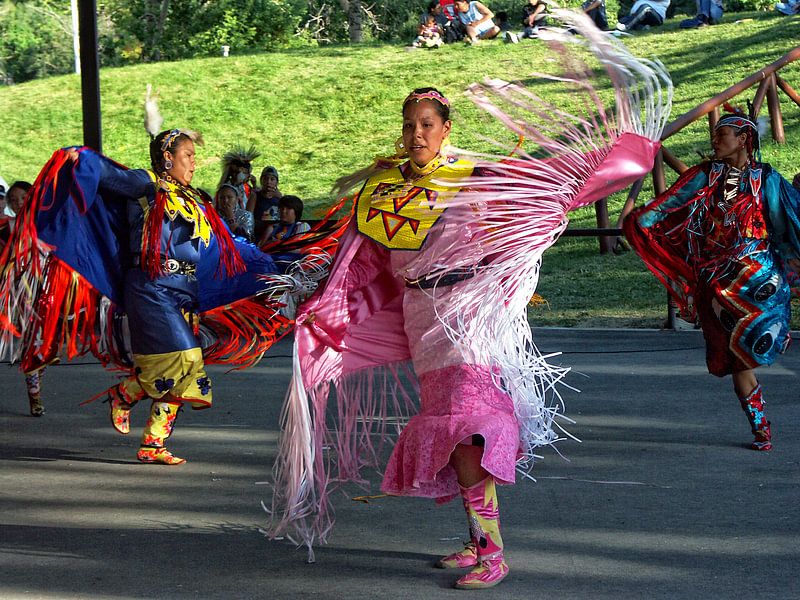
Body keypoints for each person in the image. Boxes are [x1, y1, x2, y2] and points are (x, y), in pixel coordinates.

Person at [266, 16, 670, 589]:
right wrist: (319, 287)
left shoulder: (472, 177)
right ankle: (476, 540)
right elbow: (365, 258)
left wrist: (609, 161)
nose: (416, 134)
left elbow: (542, 186)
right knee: (453, 430)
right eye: (409, 126)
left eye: (426, 124)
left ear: (446, 126)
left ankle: (492, 551)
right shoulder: (386, 188)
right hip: (419, 318)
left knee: (470, 431)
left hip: (467, 315)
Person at [0, 112, 333, 463]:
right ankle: (126, 399)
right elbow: (104, 174)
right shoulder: (145, 185)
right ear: (168, 158)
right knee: (186, 362)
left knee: (184, 366)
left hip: (185, 290)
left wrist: (274, 264)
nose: (194, 162)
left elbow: (228, 246)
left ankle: (148, 437)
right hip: (150, 287)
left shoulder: (196, 200)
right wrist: (79, 158)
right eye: (188, 156)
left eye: (194, 156)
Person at [624, 112, 800, 452]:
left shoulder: (767, 179)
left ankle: (761, 427)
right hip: (717, 284)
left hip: (758, 277)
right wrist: (640, 221)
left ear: (744, 139)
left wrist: (788, 259)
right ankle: (761, 428)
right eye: (716, 135)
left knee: (747, 353)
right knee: (735, 359)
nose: (716, 140)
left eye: (724, 134)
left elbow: (780, 226)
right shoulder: (705, 176)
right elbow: (668, 205)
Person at [0, 181, 45, 417]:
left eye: (23, 198)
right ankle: (34, 396)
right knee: (31, 343)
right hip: (17, 293)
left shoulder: (45, 224)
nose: (18, 203)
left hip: (47, 290)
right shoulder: (5, 226)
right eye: (13, 200)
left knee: (45, 345)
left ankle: (36, 384)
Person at [218, 145, 259, 209]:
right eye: (246, 173)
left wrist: (254, 186)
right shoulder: (227, 190)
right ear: (236, 173)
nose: (249, 176)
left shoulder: (244, 187)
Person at [250, 165, 282, 244]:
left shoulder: (279, 197)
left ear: (276, 182)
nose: (268, 182)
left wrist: (281, 198)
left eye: (272, 179)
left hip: (276, 232)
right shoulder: (255, 196)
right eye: (266, 179)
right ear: (261, 181)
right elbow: (248, 216)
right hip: (258, 231)